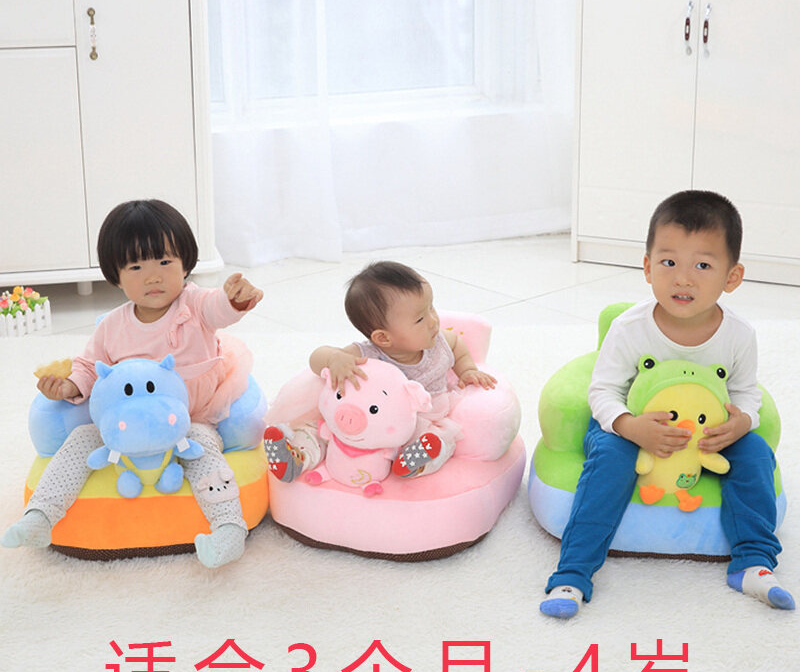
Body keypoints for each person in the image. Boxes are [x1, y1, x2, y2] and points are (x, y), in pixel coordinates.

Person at [540, 190, 794, 618]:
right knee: (608, 458)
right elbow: (602, 391)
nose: (683, 279)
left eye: (703, 266)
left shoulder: (738, 335)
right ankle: (573, 573)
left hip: (707, 435)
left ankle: (754, 562)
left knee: (754, 452)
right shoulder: (630, 328)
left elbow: (748, 392)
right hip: (636, 426)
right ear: (647, 267)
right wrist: (629, 426)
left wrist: (741, 422)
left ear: (732, 276)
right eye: (669, 262)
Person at [2, 200, 263, 568]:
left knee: (204, 450)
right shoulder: (112, 325)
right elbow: (89, 366)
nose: (152, 277)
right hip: (126, 427)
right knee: (79, 441)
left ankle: (228, 528)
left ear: (186, 263)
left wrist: (233, 299)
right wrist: (70, 386)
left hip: (189, 418)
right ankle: (41, 516)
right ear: (116, 275)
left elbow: (218, 307)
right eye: (136, 267)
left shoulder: (193, 304)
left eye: (165, 262)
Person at [264, 260, 496, 482]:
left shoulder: (440, 342)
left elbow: (457, 346)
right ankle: (298, 457)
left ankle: (416, 463)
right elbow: (316, 359)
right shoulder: (367, 355)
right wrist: (334, 358)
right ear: (383, 338)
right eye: (420, 319)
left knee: (441, 436)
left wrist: (467, 369)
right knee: (322, 429)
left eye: (431, 308)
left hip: (425, 416)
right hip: (372, 422)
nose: (434, 321)